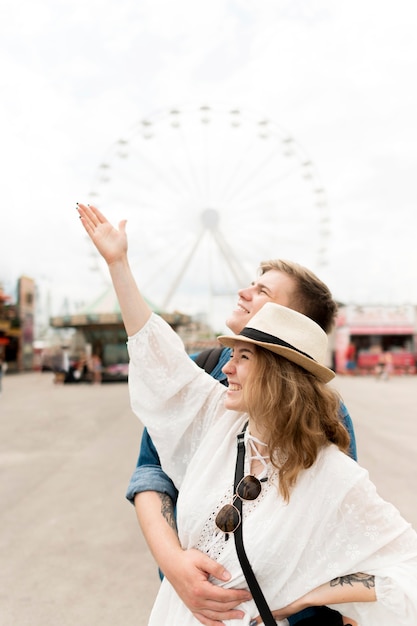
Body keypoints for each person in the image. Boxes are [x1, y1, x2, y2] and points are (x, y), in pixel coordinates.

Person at [78, 203, 417, 626]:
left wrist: (300, 600)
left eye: (263, 292)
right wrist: (119, 264)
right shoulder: (216, 414)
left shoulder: (326, 457)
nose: (226, 369)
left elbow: (365, 551)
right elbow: (155, 361)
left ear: (281, 364)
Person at [126, 261, 357, 624]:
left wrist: (292, 603)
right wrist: (175, 565)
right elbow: (151, 470)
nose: (243, 292)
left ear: (292, 326)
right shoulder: (202, 378)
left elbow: (344, 539)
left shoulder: (325, 421)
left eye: (262, 291)